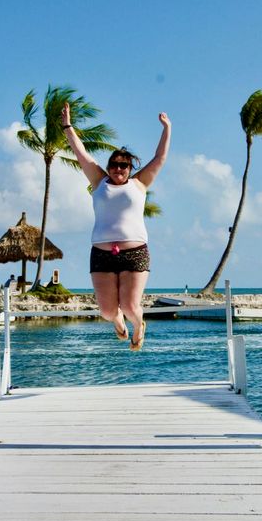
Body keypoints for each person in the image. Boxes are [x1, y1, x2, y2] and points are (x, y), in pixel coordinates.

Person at [62, 102, 171, 350]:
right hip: (101, 254)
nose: (118, 168)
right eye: (114, 164)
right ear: (108, 167)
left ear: (130, 169)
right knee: (107, 311)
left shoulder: (139, 183)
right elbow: (80, 153)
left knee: (132, 307)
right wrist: (68, 126)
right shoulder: (98, 181)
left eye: (123, 165)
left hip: (135, 253)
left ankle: (138, 325)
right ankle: (118, 321)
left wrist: (167, 128)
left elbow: (160, 158)